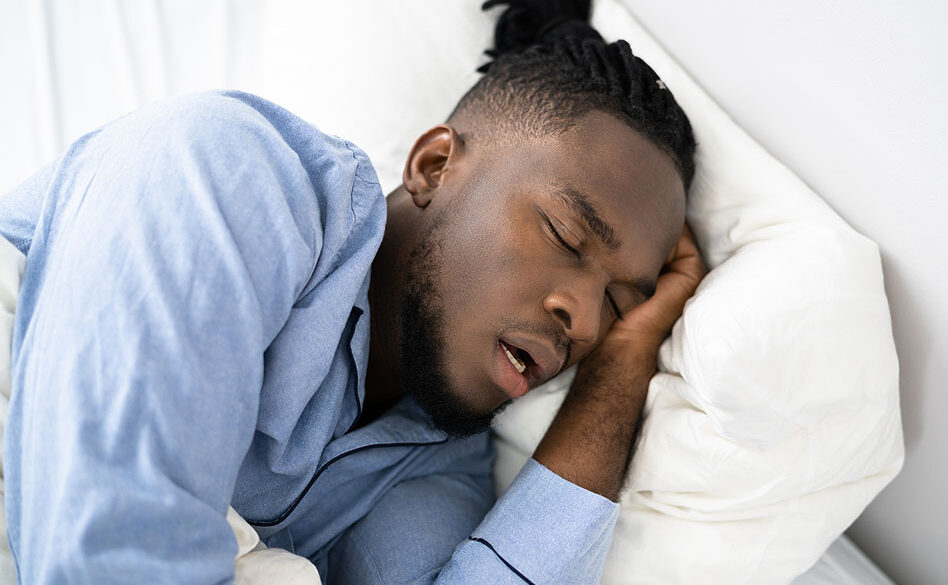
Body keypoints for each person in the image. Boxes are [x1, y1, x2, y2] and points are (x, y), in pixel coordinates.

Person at [0, 1, 704, 583]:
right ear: (434, 166)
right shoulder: (226, 172)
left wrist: (623, 364)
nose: (581, 316)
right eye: (564, 233)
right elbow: (102, 549)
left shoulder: (435, 466)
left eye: (617, 302)